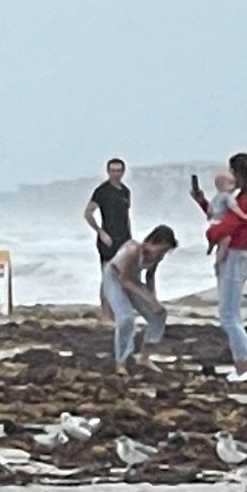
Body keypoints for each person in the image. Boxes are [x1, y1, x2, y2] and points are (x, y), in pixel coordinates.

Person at [205, 153, 247, 383]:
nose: (231, 177)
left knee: (229, 316)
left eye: (233, 172)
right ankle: (242, 364)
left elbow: (224, 227)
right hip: (237, 255)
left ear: (240, 173)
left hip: (236, 256)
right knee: (229, 315)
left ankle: (246, 365)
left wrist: (211, 233)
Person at [102, 225, 178, 375]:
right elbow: (124, 280)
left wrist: (153, 299)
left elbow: (149, 276)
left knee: (159, 315)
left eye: (165, 251)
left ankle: (145, 357)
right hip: (114, 278)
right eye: (161, 249)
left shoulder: (157, 256)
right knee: (126, 319)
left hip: (132, 279)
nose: (161, 254)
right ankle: (121, 362)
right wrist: (147, 299)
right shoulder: (133, 250)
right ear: (153, 242)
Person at [84, 158, 132, 324]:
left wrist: (130, 240)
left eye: (119, 171)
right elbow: (88, 213)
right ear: (108, 171)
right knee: (107, 276)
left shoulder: (125, 191)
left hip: (124, 239)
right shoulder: (102, 191)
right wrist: (100, 232)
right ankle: (106, 314)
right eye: (113, 171)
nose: (116, 174)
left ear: (123, 172)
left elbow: (126, 217)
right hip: (108, 240)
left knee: (122, 277)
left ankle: (117, 311)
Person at [192, 169, 247, 260]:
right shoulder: (230, 197)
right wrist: (201, 201)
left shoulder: (237, 198)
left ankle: (213, 250)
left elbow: (215, 213)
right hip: (233, 250)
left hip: (233, 249)